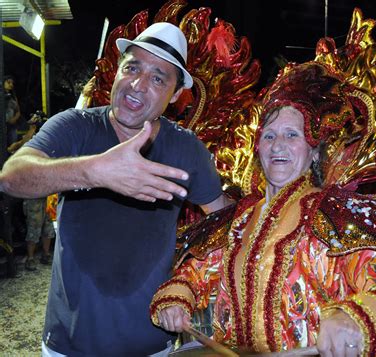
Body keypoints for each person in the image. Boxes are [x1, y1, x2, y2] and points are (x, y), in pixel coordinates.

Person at [150, 62, 376, 356]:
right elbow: (196, 274)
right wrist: (178, 297)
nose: (278, 146)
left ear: (313, 152)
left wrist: (354, 319)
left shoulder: (333, 218)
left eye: (292, 135)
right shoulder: (239, 219)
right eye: (269, 136)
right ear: (258, 148)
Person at [0, 22, 232, 356]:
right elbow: (12, 175)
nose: (138, 84)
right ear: (117, 71)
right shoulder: (75, 126)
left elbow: (224, 225)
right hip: (69, 344)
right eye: (132, 67)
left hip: (151, 344)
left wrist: (189, 285)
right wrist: (95, 171)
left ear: (177, 95)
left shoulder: (187, 150)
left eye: (158, 78)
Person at [8, 111, 55, 271]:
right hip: (32, 193)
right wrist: (32, 128)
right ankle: (30, 258)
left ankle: (46, 254)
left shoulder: (47, 144)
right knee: (34, 226)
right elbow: (18, 146)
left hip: (47, 192)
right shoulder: (21, 146)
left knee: (48, 226)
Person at [3, 75, 21, 146]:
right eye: (8, 82)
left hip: (12, 125)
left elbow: (18, 111)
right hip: (3, 125)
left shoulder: (13, 96)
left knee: (12, 144)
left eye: (12, 83)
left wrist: (14, 119)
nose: (11, 84)